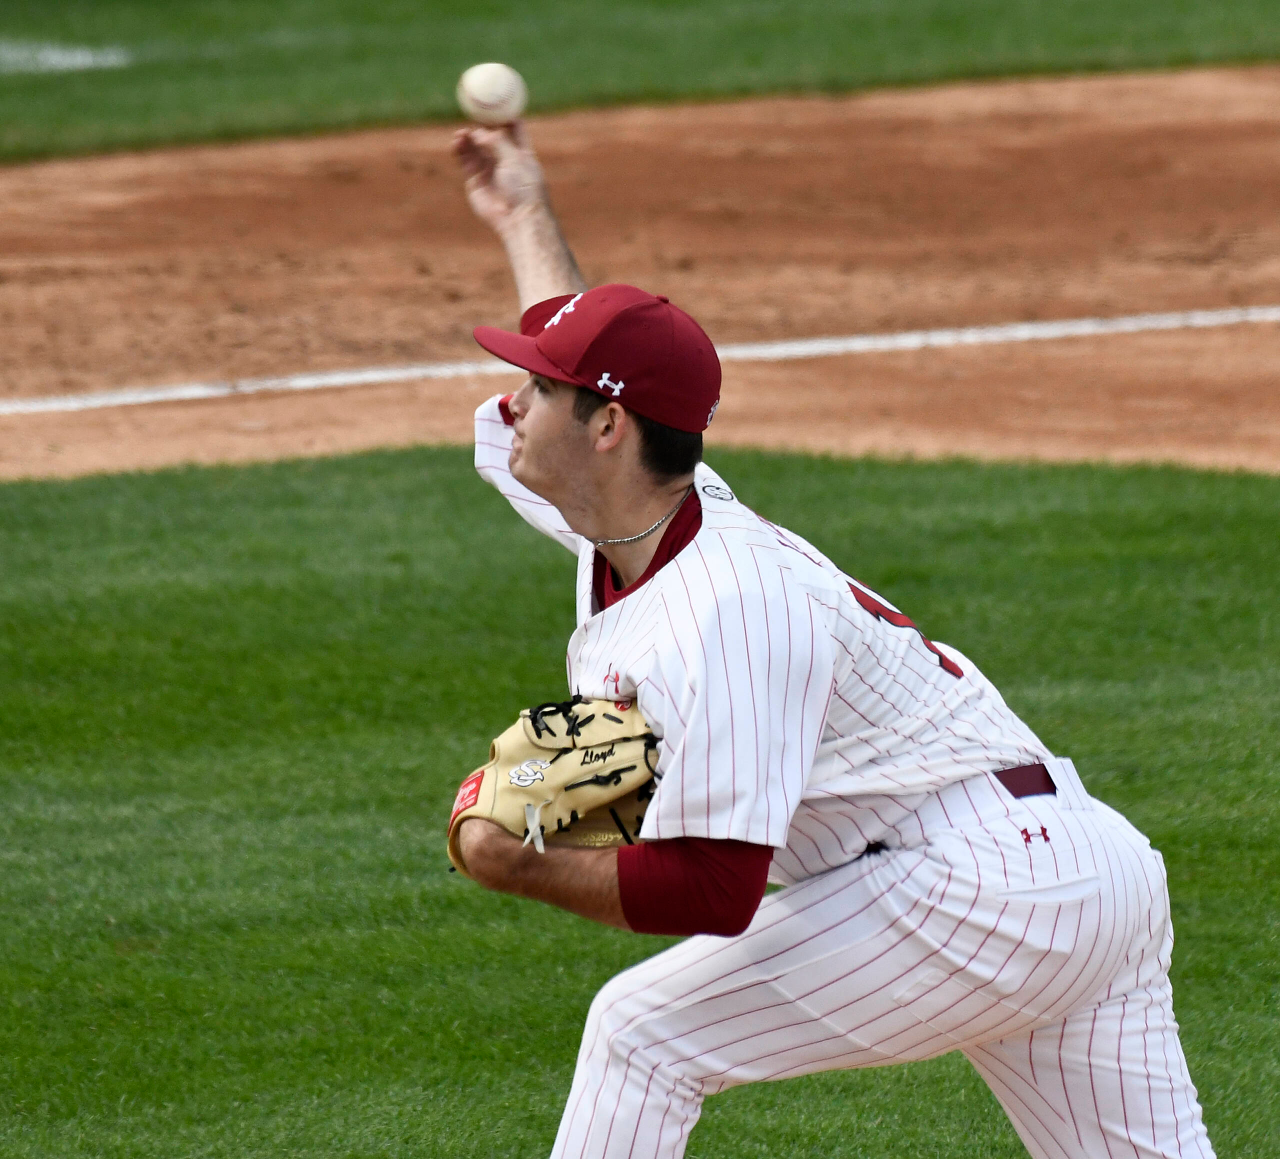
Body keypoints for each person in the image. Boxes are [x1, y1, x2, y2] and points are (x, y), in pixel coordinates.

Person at [449, 120, 1216, 1159]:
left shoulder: (722, 614)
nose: (510, 400)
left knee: (640, 1036)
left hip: (971, 888)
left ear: (606, 431)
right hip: (1087, 872)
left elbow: (714, 890)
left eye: (537, 388)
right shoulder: (657, 512)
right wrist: (523, 211)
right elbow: (598, 354)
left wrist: (513, 857)